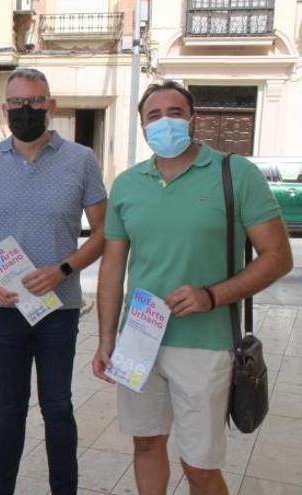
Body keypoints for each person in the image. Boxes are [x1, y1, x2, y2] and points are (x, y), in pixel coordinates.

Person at [92, 80, 293, 495]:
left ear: (192, 119)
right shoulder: (128, 184)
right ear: (143, 127)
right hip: (139, 342)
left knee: (199, 465)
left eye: (175, 112)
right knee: (146, 445)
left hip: (205, 343)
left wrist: (212, 295)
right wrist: (106, 337)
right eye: (153, 115)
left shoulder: (234, 173)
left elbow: (277, 256)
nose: (164, 121)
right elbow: (113, 267)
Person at [0, 67, 108, 495]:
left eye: (35, 101)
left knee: (58, 407)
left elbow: (103, 232)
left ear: (51, 106)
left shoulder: (81, 160)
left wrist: (63, 269)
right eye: (18, 103)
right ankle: (0, 488)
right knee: (10, 408)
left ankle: (65, 489)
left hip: (59, 308)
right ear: (5, 109)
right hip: (4, 306)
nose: (27, 110)